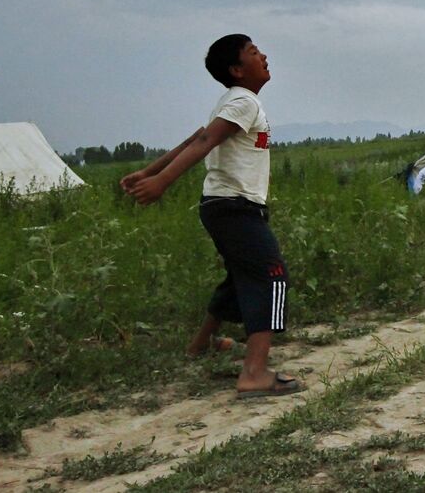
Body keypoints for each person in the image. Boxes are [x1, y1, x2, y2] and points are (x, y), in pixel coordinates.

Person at [119, 34, 302, 398]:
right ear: (237, 69)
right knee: (271, 275)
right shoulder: (243, 101)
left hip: (223, 206)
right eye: (254, 52)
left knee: (239, 276)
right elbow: (204, 142)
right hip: (235, 207)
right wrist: (161, 182)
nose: (264, 56)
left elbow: (197, 138)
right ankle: (254, 373)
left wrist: (150, 170)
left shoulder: (234, 101)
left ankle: (201, 344)